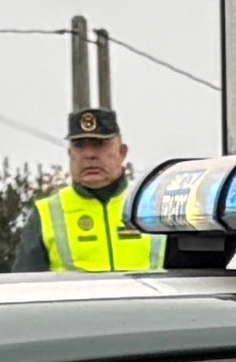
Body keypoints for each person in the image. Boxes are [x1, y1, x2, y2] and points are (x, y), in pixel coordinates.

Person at [16, 107, 158, 271]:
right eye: (80, 146)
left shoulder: (152, 205)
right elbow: (25, 287)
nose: (89, 155)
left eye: (99, 145)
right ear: (70, 154)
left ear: (122, 152)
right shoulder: (46, 213)